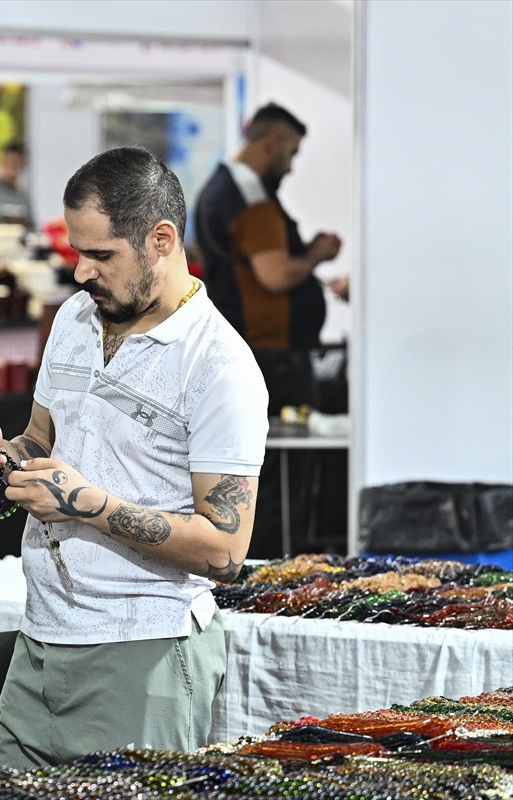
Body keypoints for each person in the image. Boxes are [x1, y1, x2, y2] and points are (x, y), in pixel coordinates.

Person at [0, 147, 268, 768]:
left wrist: (85, 503)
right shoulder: (75, 319)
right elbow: (41, 441)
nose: (81, 272)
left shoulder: (219, 365)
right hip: (40, 639)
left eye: (100, 255)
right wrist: (1, 454)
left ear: (161, 240)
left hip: (143, 650)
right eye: (76, 251)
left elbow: (226, 553)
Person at [193, 102, 346, 558]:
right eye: (292, 152)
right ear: (272, 142)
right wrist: (317, 253)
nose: (292, 165)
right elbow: (275, 275)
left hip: (254, 353)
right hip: (270, 360)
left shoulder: (222, 189)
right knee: (278, 479)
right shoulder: (250, 196)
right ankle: (273, 566)